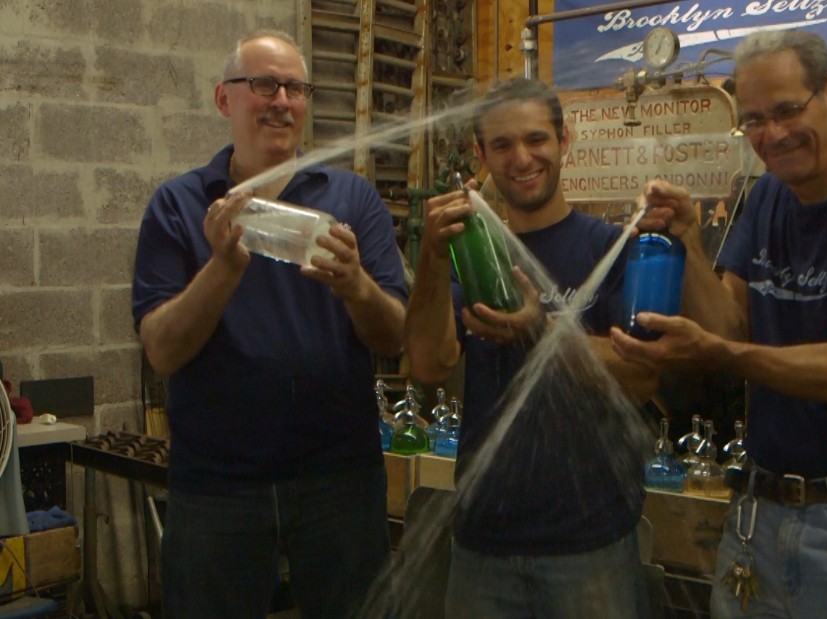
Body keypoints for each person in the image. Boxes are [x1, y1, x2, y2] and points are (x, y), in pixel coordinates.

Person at [610, 30, 827, 618]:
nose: (772, 135)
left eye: (788, 110)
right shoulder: (766, 200)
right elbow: (734, 324)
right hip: (760, 518)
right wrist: (688, 241)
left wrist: (717, 353)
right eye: (754, 120)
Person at [131, 30, 406, 619]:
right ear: (224, 99)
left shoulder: (353, 199)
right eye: (263, 84)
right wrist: (224, 267)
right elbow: (162, 351)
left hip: (341, 482)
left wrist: (357, 286)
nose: (282, 100)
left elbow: (394, 337)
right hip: (217, 488)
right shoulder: (179, 206)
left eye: (295, 88)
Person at [403, 77, 656, 619]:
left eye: (536, 139)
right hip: (481, 543)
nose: (522, 157)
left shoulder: (609, 249)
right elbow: (428, 364)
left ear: (565, 142)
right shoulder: (471, 251)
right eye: (502, 145)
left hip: (590, 545)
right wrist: (430, 257)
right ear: (481, 155)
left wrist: (539, 329)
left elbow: (638, 379)